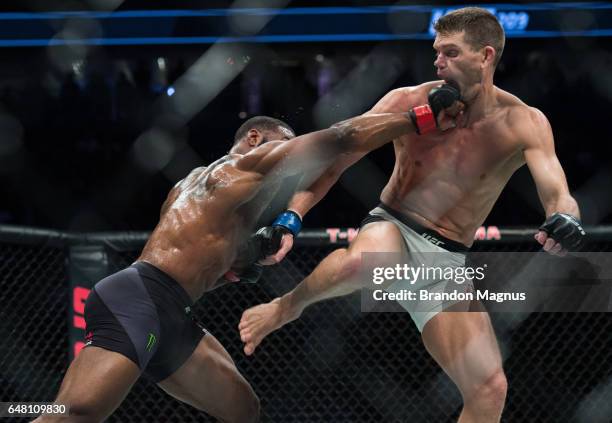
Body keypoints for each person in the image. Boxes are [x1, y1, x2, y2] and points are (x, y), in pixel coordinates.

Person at [239, 7, 586, 423]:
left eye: (451, 53)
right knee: (366, 261)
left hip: (447, 261)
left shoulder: (524, 123)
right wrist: (291, 217)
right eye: (437, 52)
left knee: (489, 390)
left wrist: (565, 221)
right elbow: (337, 160)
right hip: (394, 226)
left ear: (486, 56)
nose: (438, 62)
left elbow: (558, 194)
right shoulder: (406, 102)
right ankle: (286, 306)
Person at [35, 94, 458, 422]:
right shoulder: (240, 168)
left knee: (243, 411)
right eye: (284, 149)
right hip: (140, 298)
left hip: (174, 312)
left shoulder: (208, 196)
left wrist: (251, 254)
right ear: (255, 140)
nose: (290, 162)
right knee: (77, 413)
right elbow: (339, 138)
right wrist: (418, 118)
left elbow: (205, 261)